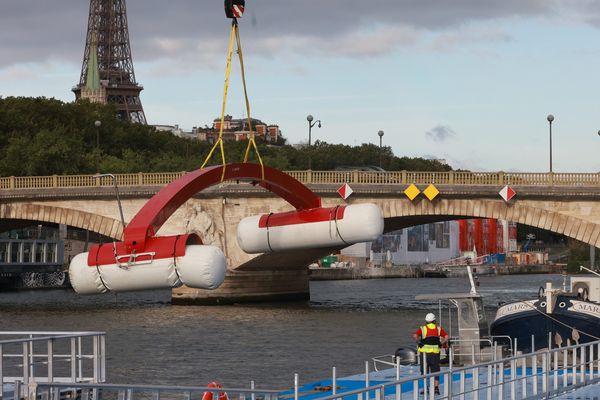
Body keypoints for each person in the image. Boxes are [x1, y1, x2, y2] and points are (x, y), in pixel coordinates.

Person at [412, 313, 448, 395]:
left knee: (424, 371)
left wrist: (419, 343)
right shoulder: (438, 329)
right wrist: (441, 343)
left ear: (426, 321)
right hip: (435, 353)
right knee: (436, 370)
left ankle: (426, 388)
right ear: (434, 321)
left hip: (424, 354)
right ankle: (436, 388)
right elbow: (446, 336)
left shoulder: (423, 329)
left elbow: (415, 336)